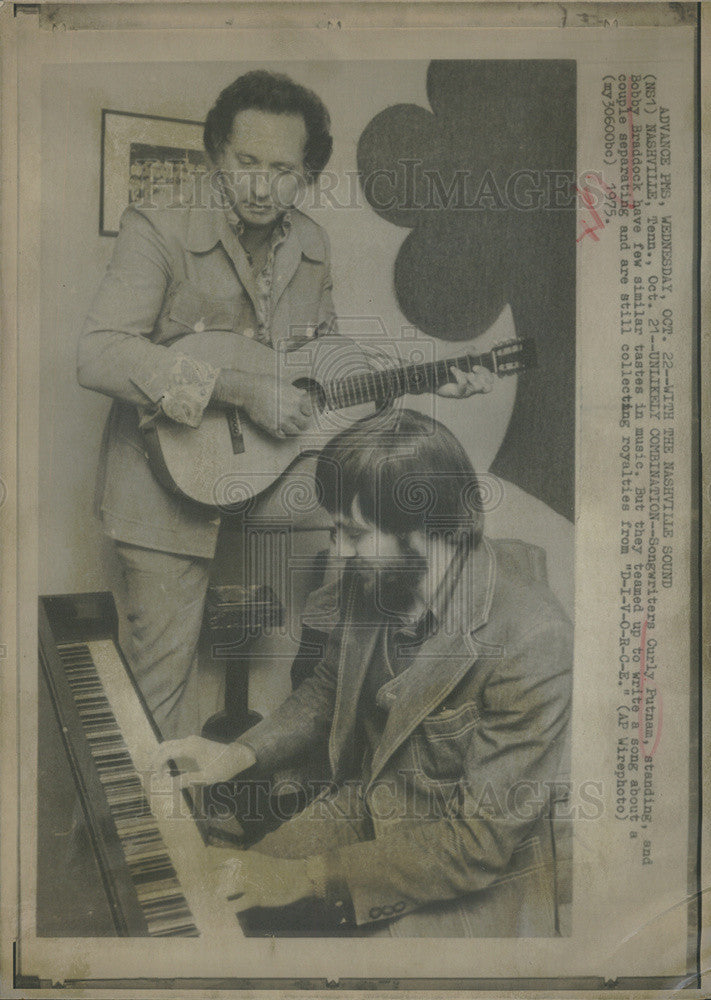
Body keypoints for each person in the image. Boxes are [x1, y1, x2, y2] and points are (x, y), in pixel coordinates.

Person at [78, 70, 493, 741]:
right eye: (245, 163)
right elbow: (98, 354)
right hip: (160, 490)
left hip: (263, 476)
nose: (262, 186)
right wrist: (240, 391)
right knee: (156, 687)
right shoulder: (156, 227)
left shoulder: (311, 244)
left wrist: (419, 377)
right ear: (217, 155)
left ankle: (306, 738)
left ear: (305, 173)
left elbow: (320, 361)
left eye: (282, 169)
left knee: (366, 534)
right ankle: (148, 835)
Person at [152, 409, 573, 938]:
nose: (340, 550)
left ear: (423, 529)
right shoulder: (373, 576)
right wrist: (236, 754)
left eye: (353, 532)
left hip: (452, 864)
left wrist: (303, 877)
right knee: (223, 902)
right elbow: (328, 689)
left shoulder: (535, 639)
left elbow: (477, 844)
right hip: (359, 809)